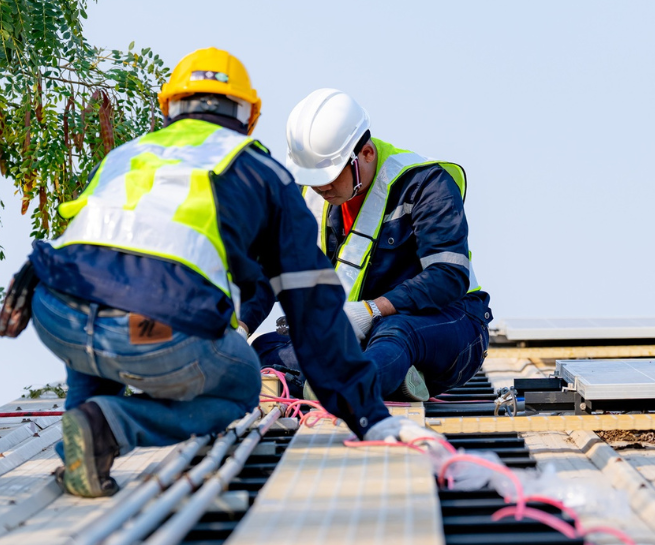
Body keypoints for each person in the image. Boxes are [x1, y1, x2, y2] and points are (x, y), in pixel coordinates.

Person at [2, 49, 425, 497]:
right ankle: (107, 426)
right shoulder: (259, 172)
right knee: (242, 381)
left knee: (99, 310)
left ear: (169, 108)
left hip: (56, 312)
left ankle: (82, 439)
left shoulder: (129, 155)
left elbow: (87, 247)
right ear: (249, 117)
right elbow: (311, 309)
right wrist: (368, 416)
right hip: (149, 331)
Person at [249, 88, 491, 402]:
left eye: (331, 175)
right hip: (357, 337)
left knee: (395, 334)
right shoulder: (308, 194)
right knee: (266, 349)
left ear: (366, 154)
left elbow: (448, 275)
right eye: (312, 176)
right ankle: (387, 379)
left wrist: (371, 310)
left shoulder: (427, 185)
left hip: (448, 327)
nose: (322, 186)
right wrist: (239, 328)